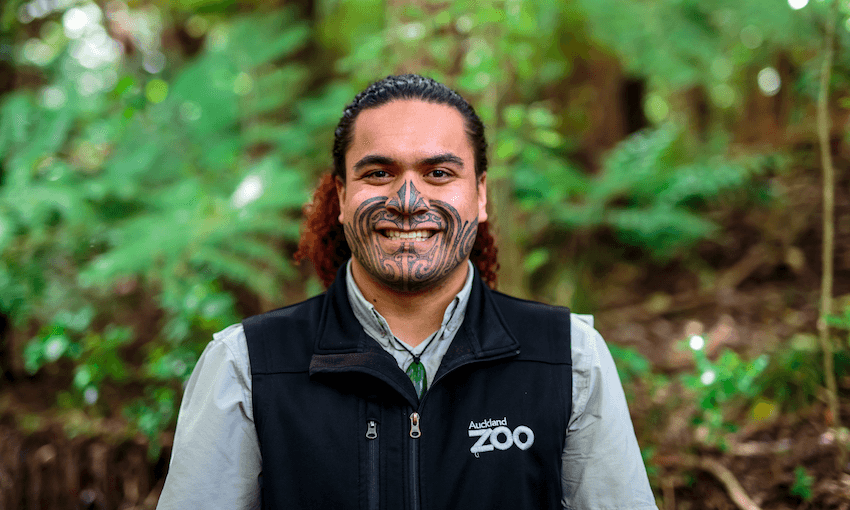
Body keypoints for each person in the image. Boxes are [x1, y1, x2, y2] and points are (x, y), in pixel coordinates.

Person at [157, 74, 658, 510]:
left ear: (480, 194)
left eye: (439, 173)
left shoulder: (570, 358)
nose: (408, 200)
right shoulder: (245, 367)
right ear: (342, 195)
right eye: (379, 173)